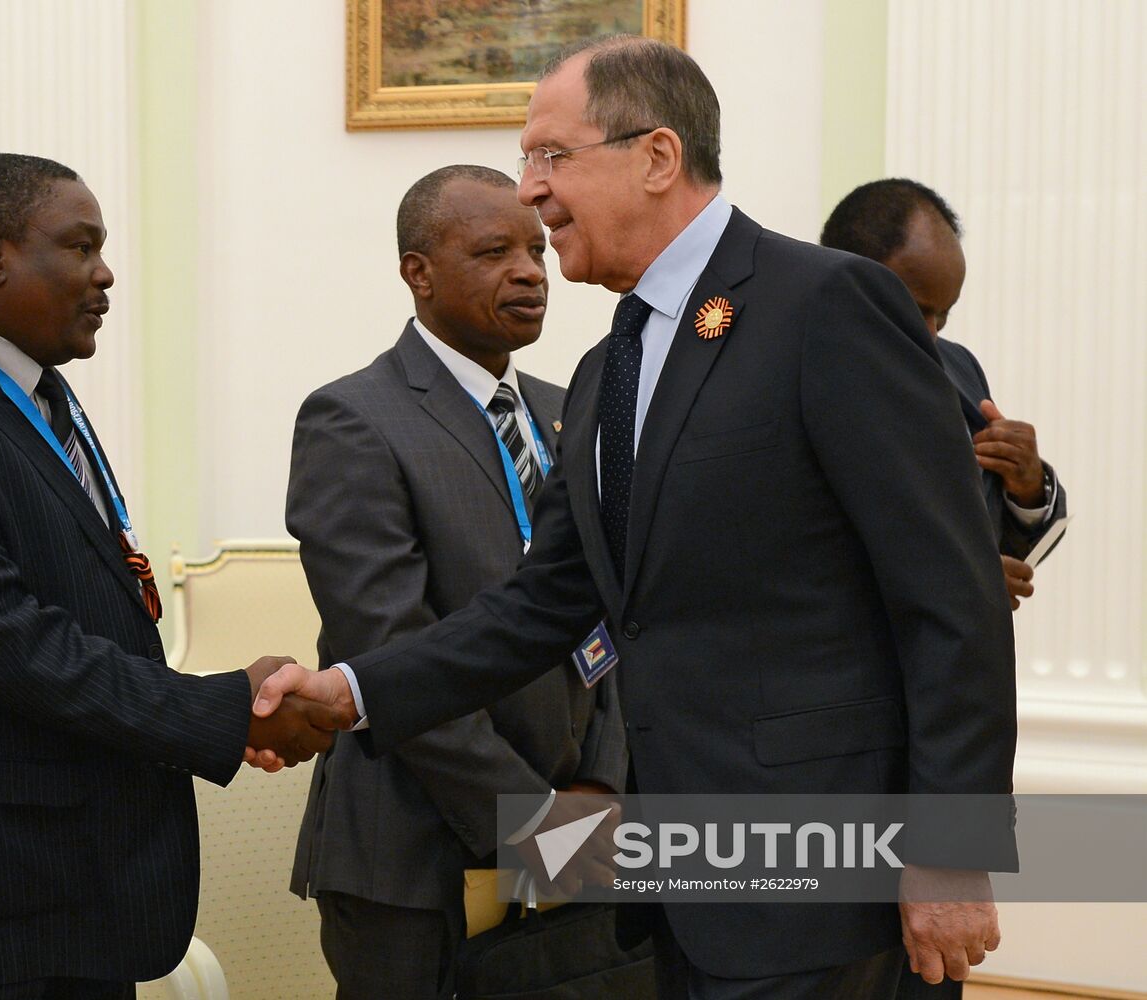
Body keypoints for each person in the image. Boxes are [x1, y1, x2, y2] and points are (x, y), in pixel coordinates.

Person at [254, 36, 1017, 999]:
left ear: (656, 157)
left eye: (550, 156)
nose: (528, 188)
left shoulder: (823, 303)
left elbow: (951, 596)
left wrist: (953, 846)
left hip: (828, 885)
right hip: (684, 891)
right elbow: (542, 604)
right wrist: (354, 692)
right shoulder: (609, 365)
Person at [0, 153, 336, 998]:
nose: (105, 273)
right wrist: (221, 706)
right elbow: (7, 642)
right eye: (80, 246)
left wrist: (221, 704)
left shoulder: (40, 397)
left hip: (58, 895)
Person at [286, 165, 631, 999]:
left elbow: (620, 615)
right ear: (418, 271)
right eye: (492, 251)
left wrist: (599, 786)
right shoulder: (354, 419)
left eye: (536, 250)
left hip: (583, 823)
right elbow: (389, 650)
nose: (528, 271)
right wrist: (531, 823)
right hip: (413, 855)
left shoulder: (575, 407)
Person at [821, 178, 1068, 615]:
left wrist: (1027, 489)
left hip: (959, 673)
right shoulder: (784, 376)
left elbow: (997, 553)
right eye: (916, 310)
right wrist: (958, 578)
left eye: (945, 314)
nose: (931, 335)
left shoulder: (960, 368)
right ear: (845, 272)